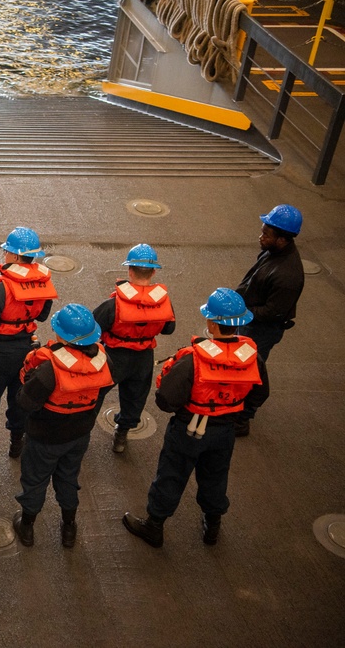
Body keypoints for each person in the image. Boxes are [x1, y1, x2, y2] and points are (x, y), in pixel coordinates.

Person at [123, 288, 269, 548]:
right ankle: (212, 526)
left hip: (188, 430)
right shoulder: (253, 358)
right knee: (215, 476)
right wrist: (237, 416)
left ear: (211, 323)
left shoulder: (193, 359)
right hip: (224, 431)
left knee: (171, 475)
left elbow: (165, 400)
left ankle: (154, 526)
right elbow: (260, 394)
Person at [12, 304, 115, 549]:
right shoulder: (103, 360)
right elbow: (105, 386)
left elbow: (25, 401)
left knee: (35, 479)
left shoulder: (49, 369)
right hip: (79, 435)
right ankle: (69, 527)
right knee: (68, 479)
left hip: (45, 437)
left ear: (60, 335)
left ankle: (26, 525)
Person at [0, 227, 57, 459]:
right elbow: (43, 315)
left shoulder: (1, 288)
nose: (4, 255)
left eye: (6, 252)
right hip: (27, 348)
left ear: (15, 257)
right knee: (19, 397)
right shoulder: (44, 283)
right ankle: (17, 444)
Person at [93, 244, 176, 454]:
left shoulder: (113, 304)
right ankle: (121, 435)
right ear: (154, 271)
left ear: (130, 270)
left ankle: (81, 428)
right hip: (143, 358)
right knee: (136, 397)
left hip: (113, 356)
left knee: (96, 391)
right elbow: (169, 328)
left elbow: (93, 327)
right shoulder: (163, 303)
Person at [233, 204, 303, 436]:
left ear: (282, 239)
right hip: (251, 320)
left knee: (251, 369)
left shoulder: (288, 276)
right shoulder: (273, 252)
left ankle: (243, 418)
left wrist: (241, 311)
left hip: (262, 330)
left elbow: (272, 312)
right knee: (240, 363)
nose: (260, 236)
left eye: (266, 234)